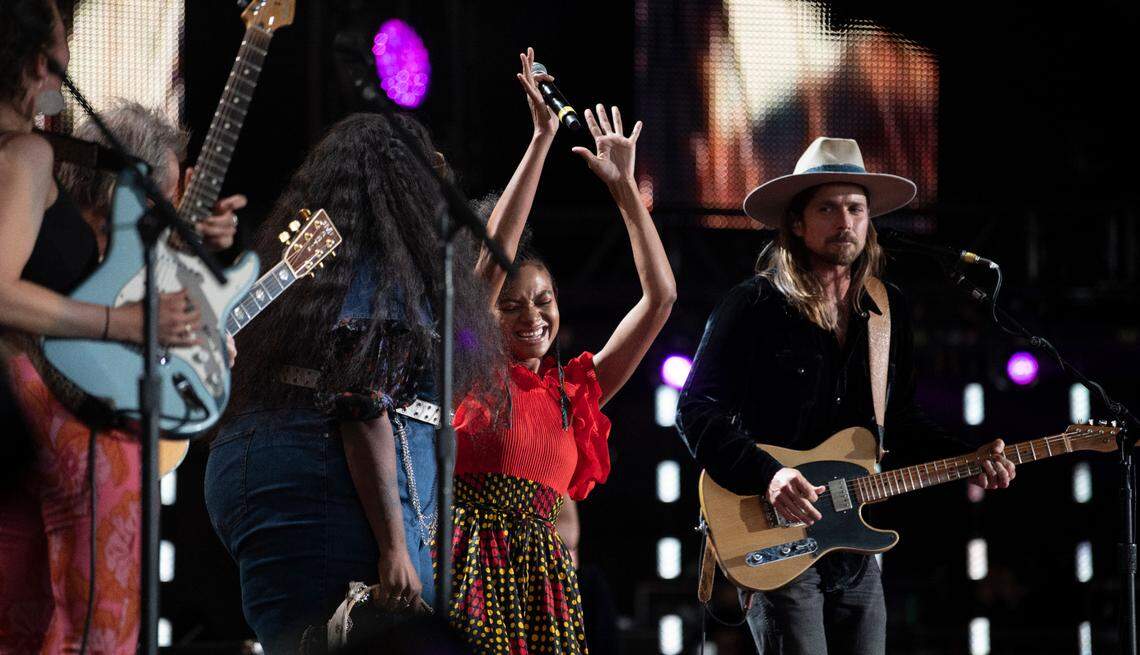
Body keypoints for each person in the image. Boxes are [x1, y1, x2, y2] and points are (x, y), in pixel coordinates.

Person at [676, 136, 1017, 655]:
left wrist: (968, 457)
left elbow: (898, 418)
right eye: (828, 208)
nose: (845, 220)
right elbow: (695, 410)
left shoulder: (887, 309)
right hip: (778, 536)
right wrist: (769, 475)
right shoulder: (753, 305)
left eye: (856, 208)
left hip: (853, 543)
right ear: (796, 222)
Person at [203, 111, 504, 654]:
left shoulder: (310, 271)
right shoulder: (380, 261)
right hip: (331, 488)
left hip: (257, 472)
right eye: (428, 168)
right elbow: (360, 398)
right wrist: (394, 545)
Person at [445, 48, 676, 654]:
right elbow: (494, 256)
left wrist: (627, 191)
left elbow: (660, 300)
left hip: (547, 590)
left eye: (544, 300)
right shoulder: (464, 371)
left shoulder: (574, 392)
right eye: (512, 304)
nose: (534, 316)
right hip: (469, 577)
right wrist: (542, 139)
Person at [0, 2, 202, 652]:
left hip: (22, 421)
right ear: (39, 63)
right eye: (63, 53)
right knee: (98, 625)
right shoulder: (24, 153)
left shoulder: (35, 149)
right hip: (50, 411)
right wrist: (123, 323)